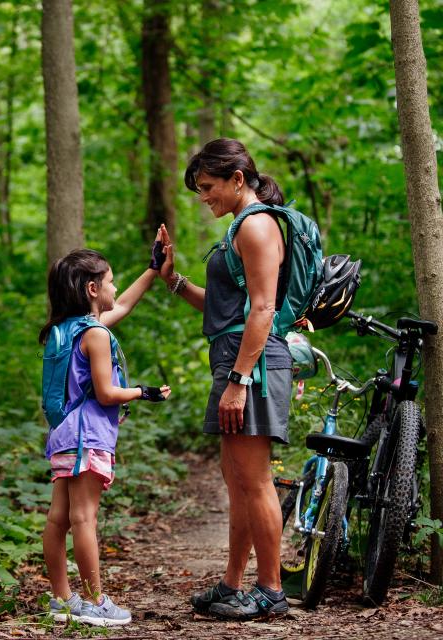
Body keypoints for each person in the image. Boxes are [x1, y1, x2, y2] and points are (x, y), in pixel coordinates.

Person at [159, 138, 291, 619]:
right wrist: (172, 280)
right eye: (198, 189)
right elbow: (225, 309)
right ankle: (234, 583)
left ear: (238, 179)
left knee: (255, 482)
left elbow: (262, 309)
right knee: (236, 480)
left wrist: (239, 381)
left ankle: (271, 590)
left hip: (249, 364)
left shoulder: (256, 227)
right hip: (235, 356)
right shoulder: (240, 227)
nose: (203, 197)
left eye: (209, 187)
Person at [39, 244, 171, 627]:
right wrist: (143, 392)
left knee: (58, 518)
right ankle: (96, 603)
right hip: (87, 438)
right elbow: (105, 393)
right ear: (93, 289)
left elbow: (124, 305)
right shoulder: (95, 335)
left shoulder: (64, 330)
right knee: (84, 518)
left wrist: (152, 270)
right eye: (111, 281)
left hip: (64, 436)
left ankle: (62, 599)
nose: (115, 288)